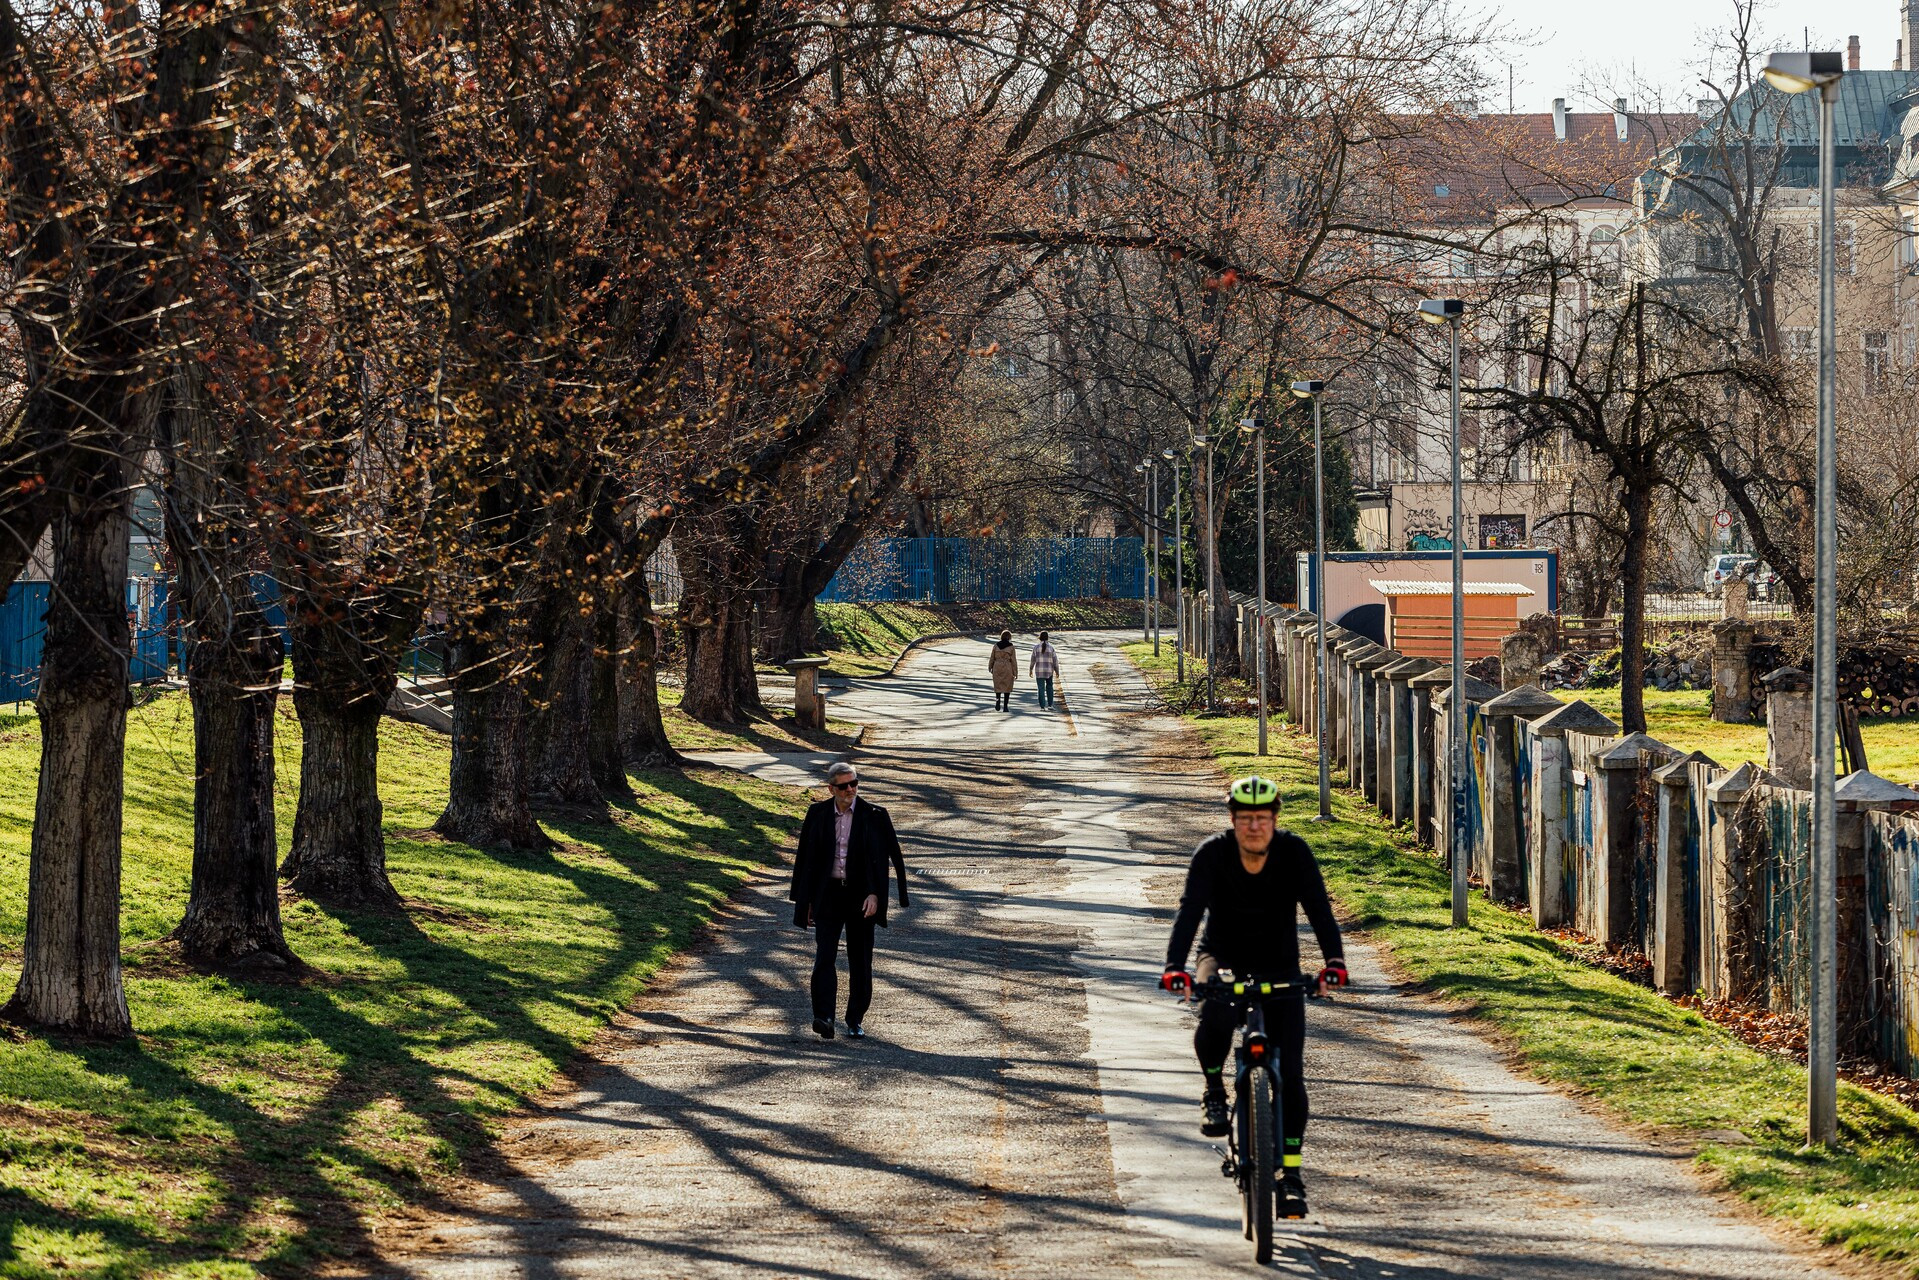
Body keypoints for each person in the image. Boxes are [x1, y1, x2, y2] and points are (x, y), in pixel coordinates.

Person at [1160, 775, 1347, 1220]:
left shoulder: (1294, 852)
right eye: (1245, 819)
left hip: (1279, 964)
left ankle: (1291, 1175)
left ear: (1275, 819)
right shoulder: (1212, 854)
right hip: (1220, 955)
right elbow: (1189, 911)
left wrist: (1334, 962)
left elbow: (1319, 908)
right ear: (1233, 820)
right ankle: (1213, 1090)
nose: (1254, 827)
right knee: (1216, 1019)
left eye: (1262, 818)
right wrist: (1174, 967)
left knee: (1293, 1075)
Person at [790, 762, 909, 1040]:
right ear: (831, 788)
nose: (851, 790)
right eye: (844, 786)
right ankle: (824, 1017)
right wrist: (803, 900)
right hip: (828, 895)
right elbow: (805, 859)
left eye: (854, 783)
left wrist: (876, 894)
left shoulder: (874, 815)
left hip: (860, 897)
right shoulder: (817, 814)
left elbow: (886, 859)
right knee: (824, 957)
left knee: (860, 960)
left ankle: (855, 1018)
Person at [988, 630, 1018, 711]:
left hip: (997, 666)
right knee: (1007, 687)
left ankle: (997, 702)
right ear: (1009, 637)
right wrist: (1015, 672)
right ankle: (1005, 706)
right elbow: (1013, 660)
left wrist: (990, 666)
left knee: (997, 686)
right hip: (1007, 666)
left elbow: (992, 657)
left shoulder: (996, 646)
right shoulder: (1011, 647)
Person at [1030, 631, 1059, 709]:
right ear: (1047, 638)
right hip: (1049, 671)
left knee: (1041, 688)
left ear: (1040, 638)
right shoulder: (1051, 648)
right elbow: (1055, 660)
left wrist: (1031, 669)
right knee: (1049, 687)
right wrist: (1057, 671)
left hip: (1039, 671)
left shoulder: (1036, 647)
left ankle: (1042, 706)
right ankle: (1050, 705)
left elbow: (1033, 659)